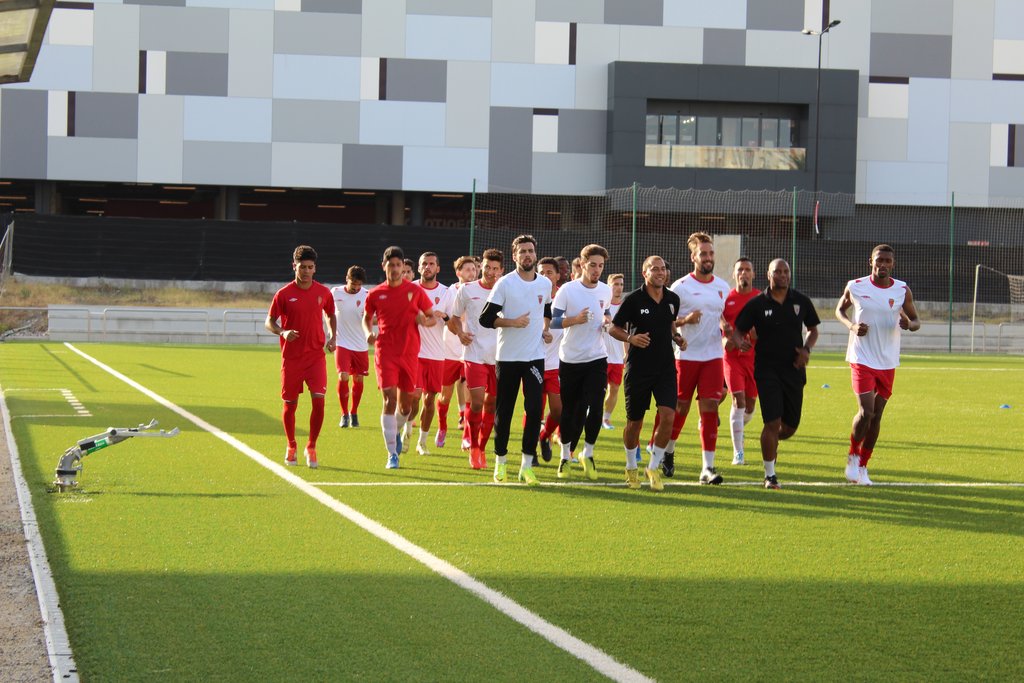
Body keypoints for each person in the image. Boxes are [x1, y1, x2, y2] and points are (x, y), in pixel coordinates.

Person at [835, 244, 921, 485]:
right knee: (866, 411)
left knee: (877, 416)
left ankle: (863, 466)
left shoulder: (902, 290)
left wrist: (909, 325)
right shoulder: (856, 286)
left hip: (887, 361)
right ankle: (853, 455)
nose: (883, 264)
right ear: (870, 262)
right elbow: (839, 310)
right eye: (879, 260)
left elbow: (916, 320)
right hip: (861, 358)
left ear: (892, 264)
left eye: (887, 261)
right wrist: (852, 326)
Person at [732, 258, 820, 489]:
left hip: (794, 370)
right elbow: (738, 331)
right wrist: (740, 342)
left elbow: (813, 330)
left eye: (785, 271)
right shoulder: (757, 304)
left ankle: (768, 441)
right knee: (772, 422)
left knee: (789, 428)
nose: (782, 275)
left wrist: (806, 350)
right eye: (777, 272)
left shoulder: (801, 301)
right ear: (768, 275)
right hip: (766, 370)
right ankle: (770, 475)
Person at [479, 234, 552, 485]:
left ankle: (526, 466)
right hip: (508, 358)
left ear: (535, 254)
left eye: (530, 250)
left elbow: (547, 309)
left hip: (535, 358)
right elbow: (485, 318)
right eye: (522, 251)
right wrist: (512, 322)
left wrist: (545, 328)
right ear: (514, 256)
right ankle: (500, 462)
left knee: (534, 409)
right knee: (505, 411)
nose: (527, 255)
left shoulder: (545, 283)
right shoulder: (505, 283)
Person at [609, 256, 685, 491]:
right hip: (639, 369)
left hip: (665, 368)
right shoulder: (633, 299)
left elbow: (670, 323)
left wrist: (676, 337)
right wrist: (631, 338)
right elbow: (613, 328)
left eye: (663, 269)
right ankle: (631, 466)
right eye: (655, 269)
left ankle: (653, 467)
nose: (660, 272)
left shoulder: (673, 299)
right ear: (645, 273)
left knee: (669, 416)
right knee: (635, 424)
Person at [665, 232, 732, 484]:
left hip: (713, 357)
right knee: (680, 407)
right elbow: (668, 322)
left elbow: (723, 317)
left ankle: (707, 468)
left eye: (711, 253)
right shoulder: (680, 287)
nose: (708, 257)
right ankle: (669, 449)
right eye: (703, 253)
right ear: (693, 257)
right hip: (686, 356)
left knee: (710, 407)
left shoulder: (723, 287)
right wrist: (685, 321)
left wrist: (727, 329)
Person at [363, 246, 436, 469]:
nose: (395, 269)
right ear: (383, 266)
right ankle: (392, 453)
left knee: (405, 408)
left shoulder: (415, 291)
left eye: (398, 265)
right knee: (389, 400)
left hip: (409, 354)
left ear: (403, 266)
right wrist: (368, 333)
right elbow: (366, 318)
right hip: (385, 352)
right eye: (391, 265)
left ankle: (396, 430)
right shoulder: (375, 294)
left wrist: (425, 321)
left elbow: (432, 317)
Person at [265, 245, 337, 469]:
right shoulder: (284, 294)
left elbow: (331, 314)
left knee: (319, 401)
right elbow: (269, 321)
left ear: (315, 268)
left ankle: (311, 446)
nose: (306, 271)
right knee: (290, 405)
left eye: (310, 267)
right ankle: (291, 445)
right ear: (294, 266)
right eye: (302, 267)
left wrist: (333, 336)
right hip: (292, 358)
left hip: (316, 357)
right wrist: (282, 332)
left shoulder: (323, 292)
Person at [551, 244, 612, 480]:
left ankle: (588, 453)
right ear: (583, 264)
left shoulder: (605, 290)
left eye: (601, 266)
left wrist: (607, 320)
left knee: (596, 407)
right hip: (570, 359)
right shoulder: (568, 290)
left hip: (597, 358)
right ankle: (565, 457)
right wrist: (575, 320)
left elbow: (607, 312)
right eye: (593, 265)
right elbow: (554, 321)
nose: (597, 270)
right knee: (571, 411)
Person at [448, 249, 503, 469]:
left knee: (491, 405)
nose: (490, 272)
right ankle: (473, 448)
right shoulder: (467, 290)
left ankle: (482, 447)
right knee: (477, 402)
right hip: (474, 354)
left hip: (500, 357)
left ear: (501, 270)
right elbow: (454, 319)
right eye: (487, 267)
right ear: (482, 267)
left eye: (495, 268)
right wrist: (460, 333)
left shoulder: (506, 290)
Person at [409, 251, 451, 455]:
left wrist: (446, 317)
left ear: (438, 268)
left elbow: (453, 321)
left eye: (431, 264)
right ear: (418, 267)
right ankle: (407, 428)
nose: (427, 267)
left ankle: (422, 442)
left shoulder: (446, 292)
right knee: (415, 395)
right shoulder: (410, 289)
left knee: (430, 399)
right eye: (424, 263)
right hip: (414, 353)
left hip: (436, 354)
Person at [720, 257, 760, 465]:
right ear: (734, 274)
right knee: (739, 401)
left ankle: (738, 429)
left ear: (753, 274)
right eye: (740, 270)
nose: (743, 273)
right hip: (732, 359)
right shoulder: (727, 299)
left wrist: (755, 335)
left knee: (750, 407)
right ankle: (738, 453)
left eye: (747, 269)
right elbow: (720, 329)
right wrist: (726, 340)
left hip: (754, 359)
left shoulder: (761, 298)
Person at [436, 256, 478, 448]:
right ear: (458, 272)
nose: (472, 272)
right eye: (467, 269)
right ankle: (442, 427)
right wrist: (456, 326)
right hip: (450, 351)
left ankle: (466, 437)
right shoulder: (449, 292)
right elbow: (446, 318)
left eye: (474, 269)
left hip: (471, 351)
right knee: (445, 395)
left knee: (470, 394)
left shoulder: (479, 290)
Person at [331, 265, 369, 429]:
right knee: (343, 376)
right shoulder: (335, 293)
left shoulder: (367, 295)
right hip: (342, 342)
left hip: (360, 344)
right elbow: (328, 313)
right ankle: (344, 413)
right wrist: (331, 335)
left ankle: (354, 412)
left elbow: (373, 318)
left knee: (358, 378)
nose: (356, 287)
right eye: (354, 283)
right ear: (347, 279)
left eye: (359, 284)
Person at [537, 257, 564, 462]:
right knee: (534, 410)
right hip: (534, 362)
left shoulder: (564, 298)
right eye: (542, 272)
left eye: (549, 272)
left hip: (556, 364)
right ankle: (529, 452)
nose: (545, 276)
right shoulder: (531, 295)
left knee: (558, 410)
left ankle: (544, 436)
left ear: (557, 276)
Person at [602, 273, 626, 430]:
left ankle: (606, 418)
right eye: (615, 284)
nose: (619, 287)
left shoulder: (625, 308)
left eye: (621, 284)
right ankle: (593, 413)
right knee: (599, 389)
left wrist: (627, 353)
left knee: (615, 389)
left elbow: (627, 332)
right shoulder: (603, 307)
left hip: (618, 357)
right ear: (609, 286)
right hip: (602, 356)